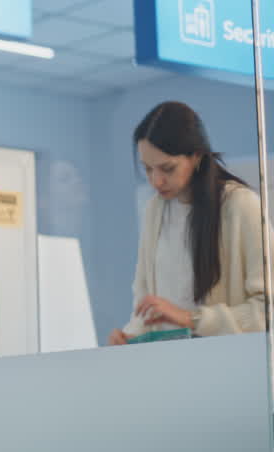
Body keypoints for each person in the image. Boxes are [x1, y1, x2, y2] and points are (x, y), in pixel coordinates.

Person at [108, 101, 266, 344]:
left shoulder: (240, 205)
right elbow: (147, 309)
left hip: (226, 365)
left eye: (167, 168)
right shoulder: (154, 211)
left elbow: (265, 311)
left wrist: (192, 319)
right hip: (170, 365)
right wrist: (129, 336)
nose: (156, 181)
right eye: (148, 169)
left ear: (196, 157)